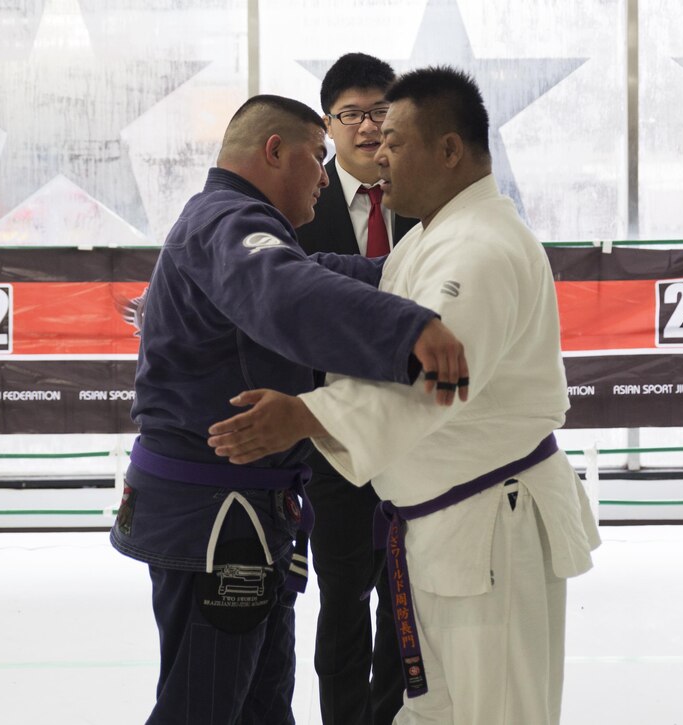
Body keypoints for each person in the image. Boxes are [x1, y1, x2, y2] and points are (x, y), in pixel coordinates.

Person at [208, 68, 601, 725]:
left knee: (495, 712)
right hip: (443, 525)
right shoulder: (426, 238)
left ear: (449, 150)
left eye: (393, 138)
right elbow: (373, 334)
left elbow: (432, 384)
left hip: (491, 524)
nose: (377, 152)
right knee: (431, 712)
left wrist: (305, 415)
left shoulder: (481, 249)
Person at [110, 93, 469, 725]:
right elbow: (286, 290)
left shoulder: (235, 225)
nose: (326, 177)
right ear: (275, 152)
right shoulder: (227, 222)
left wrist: (411, 273)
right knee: (205, 708)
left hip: (245, 514)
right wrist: (407, 328)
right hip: (216, 520)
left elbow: (311, 269)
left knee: (261, 707)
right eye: (318, 156)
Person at [296, 53, 417, 725]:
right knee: (342, 599)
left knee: (408, 599)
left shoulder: (426, 202)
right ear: (328, 124)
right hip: (333, 439)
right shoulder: (300, 207)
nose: (369, 128)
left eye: (381, 112)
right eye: (352, 114)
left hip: (413, 433)